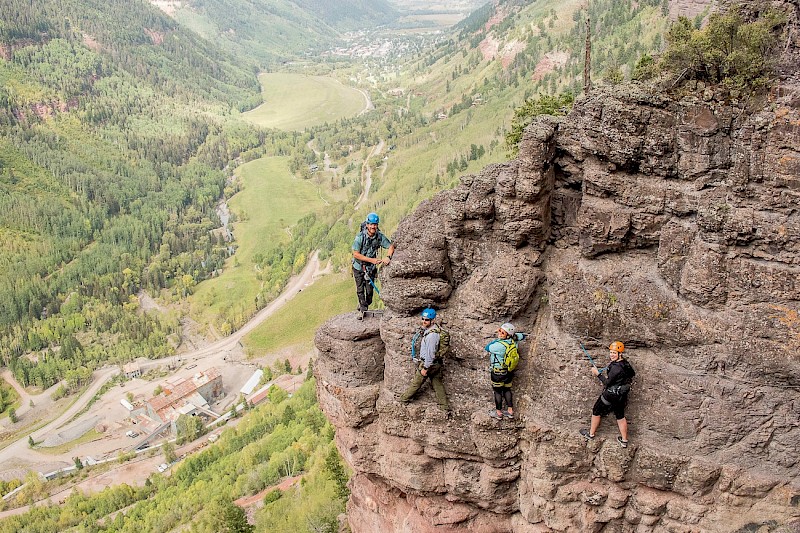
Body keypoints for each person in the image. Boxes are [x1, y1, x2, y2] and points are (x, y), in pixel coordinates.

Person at [580, 341, 636, 448]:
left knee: (596, 410)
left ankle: (591, 434)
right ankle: (624, 441)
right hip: (621, 395)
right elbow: (632, 374)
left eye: (614, 353)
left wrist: (598, 374)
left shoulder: (616, 368)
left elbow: (607, 383)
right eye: (611, 352)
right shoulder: (625, 364)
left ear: (620, 354)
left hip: (611, 394)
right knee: (620, 416)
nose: (612, 355)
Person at [400, 308, 450, 413]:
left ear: (433, 320)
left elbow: (430, 354)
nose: (424, 321)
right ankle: (444, 407)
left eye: (426, 320)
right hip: (436, 363)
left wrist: (425, 368)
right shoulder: (433, 330)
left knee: (416, 383)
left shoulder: (432, 336)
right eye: (423, 319)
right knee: (437, 384)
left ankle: (403, 400)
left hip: (429, 364)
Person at [352, 212, 395, 320]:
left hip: (370, 268)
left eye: (375, 224)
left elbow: (390, 246)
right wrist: (371, 260)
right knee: (360, 290)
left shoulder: (379, 237)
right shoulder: (360, 237)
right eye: (371, 224)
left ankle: (365, 304)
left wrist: (388, 257)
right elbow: (355, 254)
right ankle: (362, 310)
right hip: (358, 266)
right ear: (367, 225)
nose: (373, 226)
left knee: (369, 293)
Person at [485, 323, 524, 420]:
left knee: (497, 392)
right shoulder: (514, 341)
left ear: (507, 334)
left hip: (497, 373)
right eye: (499, 330)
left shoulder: (498, 346)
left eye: (502, 332)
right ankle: (510, 411)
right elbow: (521, 336)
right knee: (507, 389)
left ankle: (498, 412)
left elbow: (487, 347)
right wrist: (516, 335)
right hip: (508, 372)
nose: (499, 333)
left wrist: (497, 339)